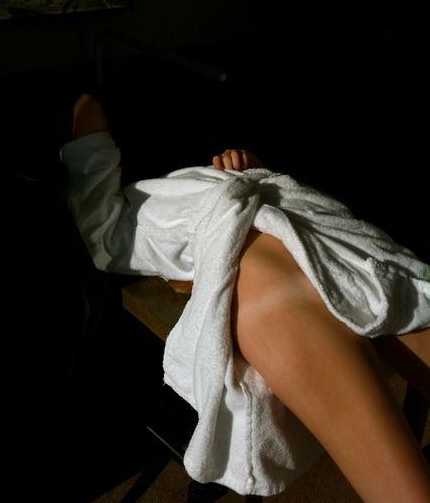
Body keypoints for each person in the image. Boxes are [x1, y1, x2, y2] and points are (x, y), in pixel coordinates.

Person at [60, 93, 430, 503]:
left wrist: (252, 167)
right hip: (269, 279)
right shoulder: (122, 225)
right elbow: (88, 130)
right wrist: (86, 118)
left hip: (343, 253)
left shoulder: (192, 181)